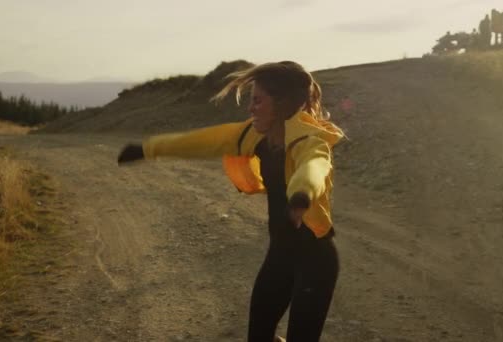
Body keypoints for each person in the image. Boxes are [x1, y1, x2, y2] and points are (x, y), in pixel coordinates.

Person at [117, 61, 345, 342]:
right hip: (280, 257)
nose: (251, 108)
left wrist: (301, 196)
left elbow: (314, 169)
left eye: (257, 101)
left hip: (316, 262)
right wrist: (148, 149)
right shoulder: (252, 135)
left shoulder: (310, 142)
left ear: (282, 105)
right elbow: (205, 140)